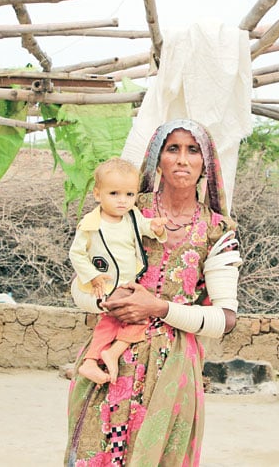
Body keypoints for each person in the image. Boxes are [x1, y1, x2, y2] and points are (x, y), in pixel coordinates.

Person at [65, 119, 242, 466]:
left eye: (193, 150)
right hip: (109, 360)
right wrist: (109, 302)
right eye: (172, 149)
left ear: (206, 162)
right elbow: (79, 287)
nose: (182, 159)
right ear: (156, 158)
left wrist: (158, 307)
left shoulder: (217, 230)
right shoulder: (123, 208)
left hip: (173, 369)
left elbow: (226, 319)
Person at [69, 157, 168, 385]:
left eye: (129, 195)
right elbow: (77, 253)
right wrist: (93, 277)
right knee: (129, 319)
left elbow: (144, 227)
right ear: (97, 194)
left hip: (127, 282)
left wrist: (154, 228)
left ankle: (93, 360)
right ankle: (106, 355)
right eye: (114, 194)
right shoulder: (91, 224)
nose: (122, 201)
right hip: (106, 283)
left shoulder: (132, 216)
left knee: (114, 322)